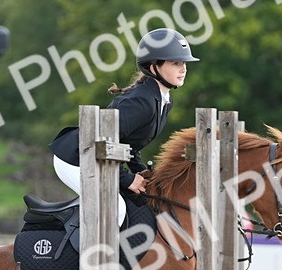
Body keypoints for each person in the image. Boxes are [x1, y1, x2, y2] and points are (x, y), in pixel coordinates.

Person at [49, 28, 198, 226]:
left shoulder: (164, 100)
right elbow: (100, 143)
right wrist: (127, 179)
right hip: (77, 158)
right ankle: (83, 256)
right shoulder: (140, 102)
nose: (183, 68)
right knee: (115, 209)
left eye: (184, 63)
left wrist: (142, 172)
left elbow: (129, 144)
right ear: (154, 67)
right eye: (176, 63)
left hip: (98, 155)